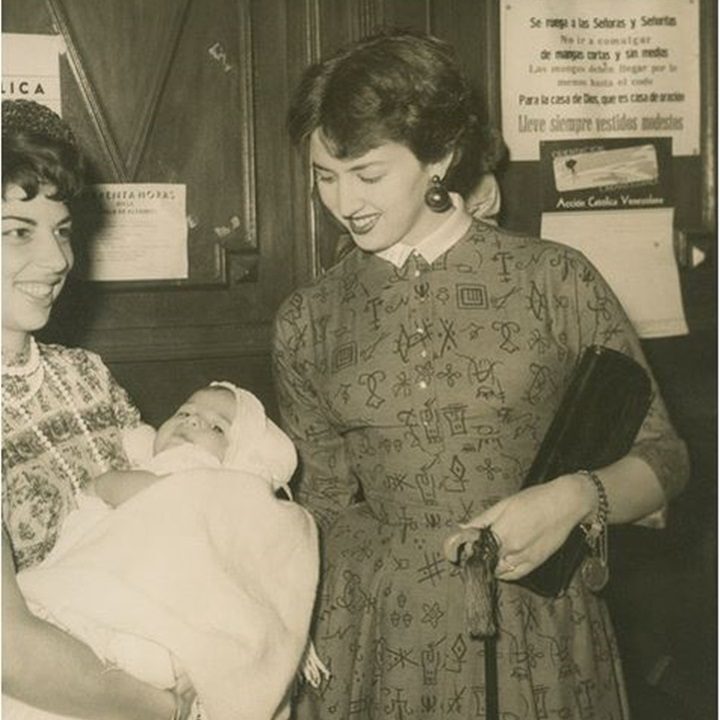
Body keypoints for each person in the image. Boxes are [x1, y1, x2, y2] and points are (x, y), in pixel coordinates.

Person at [272, 30, 689, 719]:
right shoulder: (307, 319)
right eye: (324, 176)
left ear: (439, 157)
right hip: (378, 642)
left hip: (541, 628)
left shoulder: (555, 280)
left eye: (368, 174)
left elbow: (666, 458)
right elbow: (324, 510)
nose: (344, 202)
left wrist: (571, 500)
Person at [1, 98, 197, 720]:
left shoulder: (85, 374)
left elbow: (180, 512)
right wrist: (168, 708)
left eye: (61, 230)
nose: (57, 260)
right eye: (16, 231)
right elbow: (12, 651)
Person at [15, 381, 321, 720]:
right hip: (107, 577)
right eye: (184, 412)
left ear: (240, 458)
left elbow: (172, 500)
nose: (192, 422)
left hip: (158, 602)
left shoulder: (212, 481)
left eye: (216, 427)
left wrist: (106, 483)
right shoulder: (155, 464)